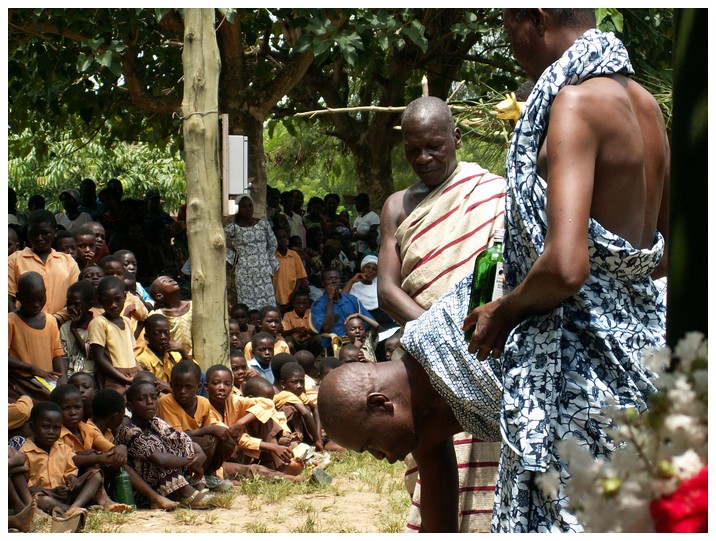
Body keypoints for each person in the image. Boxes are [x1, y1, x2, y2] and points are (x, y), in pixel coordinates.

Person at [458, 9, 667, 531]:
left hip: (582, 373)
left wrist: (503, 310)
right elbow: (664, 252)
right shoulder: (647, 107)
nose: (511, 46)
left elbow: (566, 267)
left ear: (538, 18)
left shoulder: (574, 105)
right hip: (642, 354)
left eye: (510, 30)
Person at [377, 95, 506, 532]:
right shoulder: (397, 206)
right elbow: (387, 290)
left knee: (493, 468)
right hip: (430, 360)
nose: (423, 157)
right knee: (434, 456)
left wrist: (470, 336)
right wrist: (443, 338)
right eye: (413, 149)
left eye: (433, 146)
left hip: (488, 351)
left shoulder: (493, 192)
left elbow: (503, 268)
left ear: (457, 137)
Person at [115, 380, 212, 509]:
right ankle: (185, 493)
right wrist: (190, 461)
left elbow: (184, 440)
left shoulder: (156, 422)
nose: (149, 402)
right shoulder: (129, 430)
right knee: (161, 455)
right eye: (142, 399)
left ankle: (198, 488)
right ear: (130, 407)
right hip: (142, 490)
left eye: (153, 398)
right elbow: (160, 459)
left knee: (180, 445)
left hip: (161, 480)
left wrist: (199, 456)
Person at [204, 364, 303, 483]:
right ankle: (292, 479)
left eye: (227, 384)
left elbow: (267, 404)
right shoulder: (204, 409)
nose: (222, 388)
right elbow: (235, 437)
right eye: (216, 383)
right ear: (206, 386)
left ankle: (282, 465)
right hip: (220, 461)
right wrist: (273, 447)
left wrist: (241, 422)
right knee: (253, 470)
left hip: (239, 452)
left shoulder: (233, 400)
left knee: (263, 418)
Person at [20, 400, 112, 517]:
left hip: (65, 494)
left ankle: (75, 506)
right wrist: (51, 492)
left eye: (56, 428)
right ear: (32, 427)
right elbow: (27, 489)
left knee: (95, 475)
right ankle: (68, 510)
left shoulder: (63, 448)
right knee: (42, 501)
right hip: (46, 495)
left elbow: (70, 469)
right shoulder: (24, 452)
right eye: (46, 427)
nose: (51, 432)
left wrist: (71, 478)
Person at [156, 359, 235, 492]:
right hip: (175, 447)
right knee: (207, 441)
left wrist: (216, 431)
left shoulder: (203, 402)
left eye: (188, 387)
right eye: (178, 386)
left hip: (198, 447)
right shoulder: (166, 402)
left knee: (227, 440)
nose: (182, 391)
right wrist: (210, 429)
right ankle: (189, 478)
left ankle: (207, 475)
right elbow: (176, 436)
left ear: (199, 387)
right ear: (171, 385)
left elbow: (210, 434)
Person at [8, 209, 80, 325]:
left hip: (61, 327)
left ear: (55, 232)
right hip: (23, 327)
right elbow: (8, 297)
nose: (39, 238)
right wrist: (21, 324)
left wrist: (55, 320)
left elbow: (76, 298)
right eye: (33, 234)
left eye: (44, 233)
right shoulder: (14, 260)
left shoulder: (68, 261)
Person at [8, 272, 69, 402]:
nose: (36, 304)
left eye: (41, 299)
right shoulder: (10, 322)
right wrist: (32, 368)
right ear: (19, 297)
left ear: (45, 293)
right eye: (30, 301)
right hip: (21, 381)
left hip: (46, 380)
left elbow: (57, 354)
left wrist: (63, 377)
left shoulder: (50, 320)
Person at [224, 195, 279, 311]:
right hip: (244, 273)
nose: (248, 209)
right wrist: (233, 257)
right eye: (244, 206)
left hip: (263, 271)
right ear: (238, 209)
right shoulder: (233, 228)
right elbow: (219, 244)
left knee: (267, 304)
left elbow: (273, 243)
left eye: (250, 205)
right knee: (248, 305)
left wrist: (268, 262)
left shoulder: (263, 224)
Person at [88, 276, 141, 394]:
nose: (113, 305)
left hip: (132, 375)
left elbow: (131, 355)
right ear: (100, 300)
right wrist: (125, 379)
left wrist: (141, 374)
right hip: (113, 378)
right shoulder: (99, 323)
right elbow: (100, 359)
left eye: (117, 299)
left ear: (125, 297)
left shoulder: (127, 322)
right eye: (107, 301)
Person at [310, 269, 373, 354]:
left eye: (336, 278)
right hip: (335, 344)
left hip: (358, 340)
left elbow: (368, 322)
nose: (334, 281)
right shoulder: (318, 305)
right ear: (323, 283)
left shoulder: (351, 299)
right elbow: (327, 329)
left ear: (340, 281)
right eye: (330, 279)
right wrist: (330, 299)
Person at [137, 313, 192, 395]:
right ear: (146, 337)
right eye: (157, 333)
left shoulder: (173, 354)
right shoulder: (143, 360)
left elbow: (193, 372)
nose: (163, 337)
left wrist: (182, 351)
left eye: (166, 333)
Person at [273, 362, 323, 451]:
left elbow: (315, 408)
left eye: (301, 382)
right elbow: (306, 413)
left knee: (306, 407)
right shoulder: (286, 394)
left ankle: (310, 441)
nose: (299, 386)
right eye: (294, 382)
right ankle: (303, 442)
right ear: (283, 384)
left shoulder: (299, 394)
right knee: (292, 410)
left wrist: (319, 436)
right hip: (280, 431)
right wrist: (317, 440)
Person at [343, 255, 397, 330]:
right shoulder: (355, 286)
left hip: (383, 316)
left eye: (374, 269)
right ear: (362, 269)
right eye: (367, 267)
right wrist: (352, 281)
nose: (370, 271)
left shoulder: (378, 284)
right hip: (366, 317)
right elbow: (342, 298)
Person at [148, 275, 193, 357]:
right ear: (159, 296)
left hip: (200, 356)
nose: (171, 280)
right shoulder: (157, 315)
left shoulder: (193, 306)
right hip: (174, 360)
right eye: (164, 281)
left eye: (170, 278)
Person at [60, 281, 96, 377]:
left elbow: (89, 353)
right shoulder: (64, 328)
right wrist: (63, 377)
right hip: (69, 375)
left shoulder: (96, 326)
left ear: (89, 305)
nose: (71, 308)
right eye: (68, 304)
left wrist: (74, 329)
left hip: (89, 375)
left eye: (76, 304)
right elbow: (64, 356)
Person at [272, 227, 309, 313]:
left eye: (284, 237)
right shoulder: (272, 257)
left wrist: (293, 295)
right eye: (279, 238)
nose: (282, 240)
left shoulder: (294, 255)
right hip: (276, 297)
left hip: (292, 297)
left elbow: (299, 277)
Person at [351, 193, 381, 260]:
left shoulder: (373, 217)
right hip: (359, 250)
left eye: (356, 203)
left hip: (370, 252)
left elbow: (372, 236)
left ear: (362, 203)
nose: (355, 206)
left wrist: (359, 236)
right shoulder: (358, 218)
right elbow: (353, 233)